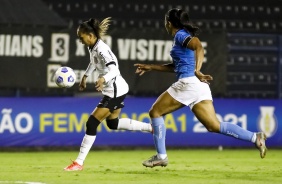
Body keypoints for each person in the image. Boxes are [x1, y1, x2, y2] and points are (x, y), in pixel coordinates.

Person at [134, 8, 267, 168]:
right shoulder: (180, 38)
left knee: (155, 112)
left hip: (188, 83)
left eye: (165, 22)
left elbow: (199, 47)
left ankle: (161, 156)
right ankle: (255, 137)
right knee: (214, 126)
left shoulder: (180, 35)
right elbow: (177, 66)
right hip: (198, 86)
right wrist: (151, 67)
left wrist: (197, 70)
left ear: (169, 23)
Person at [64, 17, 152, 171]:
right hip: (116, 89)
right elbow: (93, 62)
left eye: (81, 37)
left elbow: (115, 70)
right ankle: (151, 128)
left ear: (90, 36)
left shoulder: (102, 49)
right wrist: (85, 76)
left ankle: (78, 163)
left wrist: (103, 78)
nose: (80, 40)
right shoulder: (93, 47)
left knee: (91, 123)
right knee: (113, 123)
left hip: (115, 91)